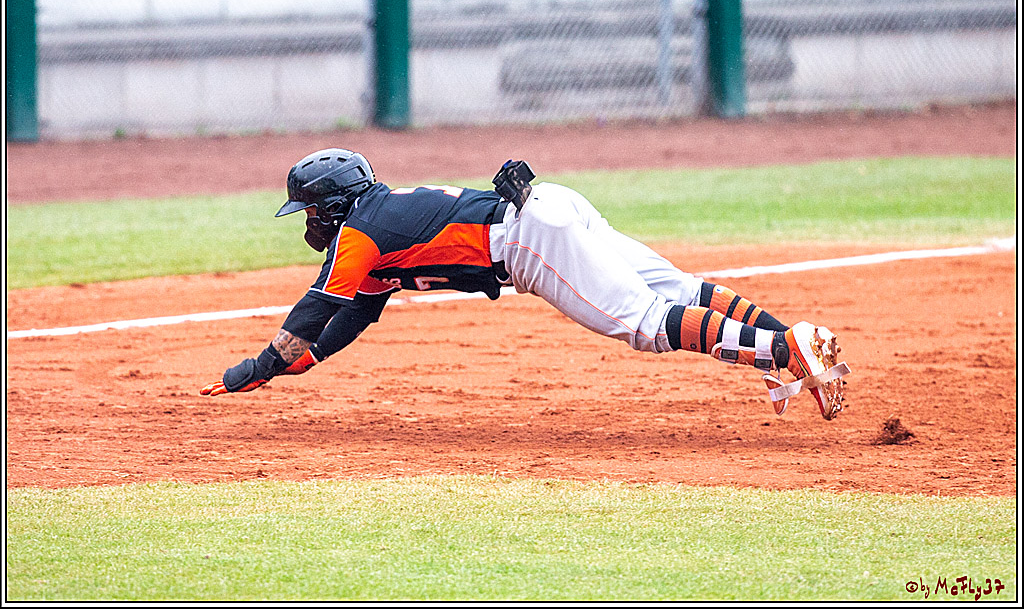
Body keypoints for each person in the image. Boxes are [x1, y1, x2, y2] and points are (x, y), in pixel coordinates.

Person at [201, 149, 849, 420]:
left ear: (333, 205)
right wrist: (302, 363)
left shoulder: (360, 233)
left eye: (311, 210)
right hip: (549, 205)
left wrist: (258, 366)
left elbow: (317, 307)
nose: (310, 223)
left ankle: (785, 349)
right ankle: (791, 339)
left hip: (529, 243)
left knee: (648, 323)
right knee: (679, 288)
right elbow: (354, 315)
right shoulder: (377, 226)